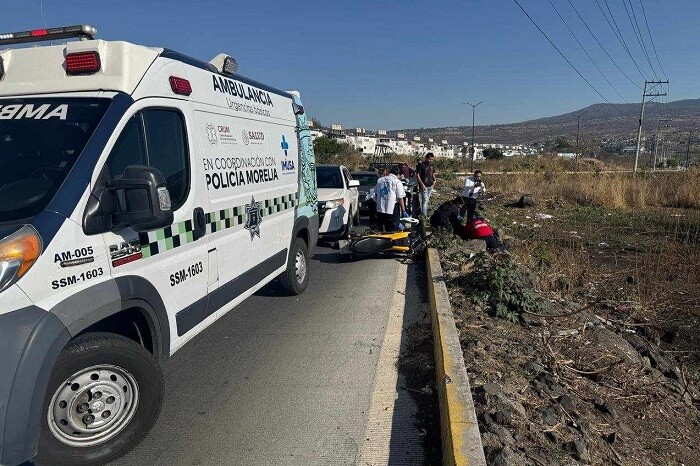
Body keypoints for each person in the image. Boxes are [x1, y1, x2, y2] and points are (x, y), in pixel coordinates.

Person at [373, 166, 406, 232]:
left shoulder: (380, 180)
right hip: (392, 209)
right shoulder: (397, 182)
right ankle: (391, 242)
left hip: (380, 209)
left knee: (381, 229)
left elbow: (375, 194)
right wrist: (403, 210)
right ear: (398, 174)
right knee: (392, 229)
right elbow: (400, 198)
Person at [416, 152, 436, 216]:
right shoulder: (421, 165)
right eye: (430, 159)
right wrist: (422, 184)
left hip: (430, 185)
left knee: (427, 201)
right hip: (424, 186)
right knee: (425, 201)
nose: (431, 161)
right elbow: (417, 175)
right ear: (426, 158)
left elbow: (433, 173)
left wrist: (435, 180)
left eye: (432, 159)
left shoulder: (432, 165)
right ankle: (424, 216)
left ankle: (423, 213)